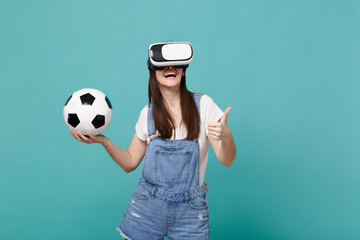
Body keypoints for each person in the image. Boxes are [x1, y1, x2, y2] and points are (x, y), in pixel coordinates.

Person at [70, 42, 236, 240]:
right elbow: (129, 162)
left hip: (190, 211)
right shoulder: (147, 114)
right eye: (163, 65)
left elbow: (227, 160)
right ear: (153, 71)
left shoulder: (204, 105)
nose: (170, 68)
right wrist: (103, 141)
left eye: (176, 64)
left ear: (183, 71)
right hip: (147, 207)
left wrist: (226, 136)